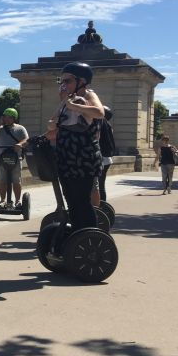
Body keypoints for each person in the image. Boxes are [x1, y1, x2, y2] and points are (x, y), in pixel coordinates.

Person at [45, 62, 105, 230]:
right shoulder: (66, 100)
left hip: (84, 158)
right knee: (71, 200)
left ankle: (89, 236)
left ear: (82, 81)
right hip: (66, 157)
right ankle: (77, 234)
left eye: (68, 81)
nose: (64, 85)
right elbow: (51, 125)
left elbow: (99, 112)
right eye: (61, 81)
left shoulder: (88, 95)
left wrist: (75, 106)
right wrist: (53, 123)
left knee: (82, 201)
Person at [0, 108, 28, 209]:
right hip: (2, 159)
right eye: (5, 117)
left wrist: (19, 144)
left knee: (16, 181)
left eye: (9, 117)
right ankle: (2, 201)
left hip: (15, 158)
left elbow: (26, 139)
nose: (6, 119)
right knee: (2, 180)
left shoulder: (20, 128)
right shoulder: (0, 128)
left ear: (14, 118)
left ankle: (18, 201)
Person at [91, 106, 115, 206]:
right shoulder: (107, 125)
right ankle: (102, 205)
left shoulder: (101, 122)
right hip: (107, 158)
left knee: (97, 185)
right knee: (101, 185)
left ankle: (99, 206)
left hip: (101, 158)